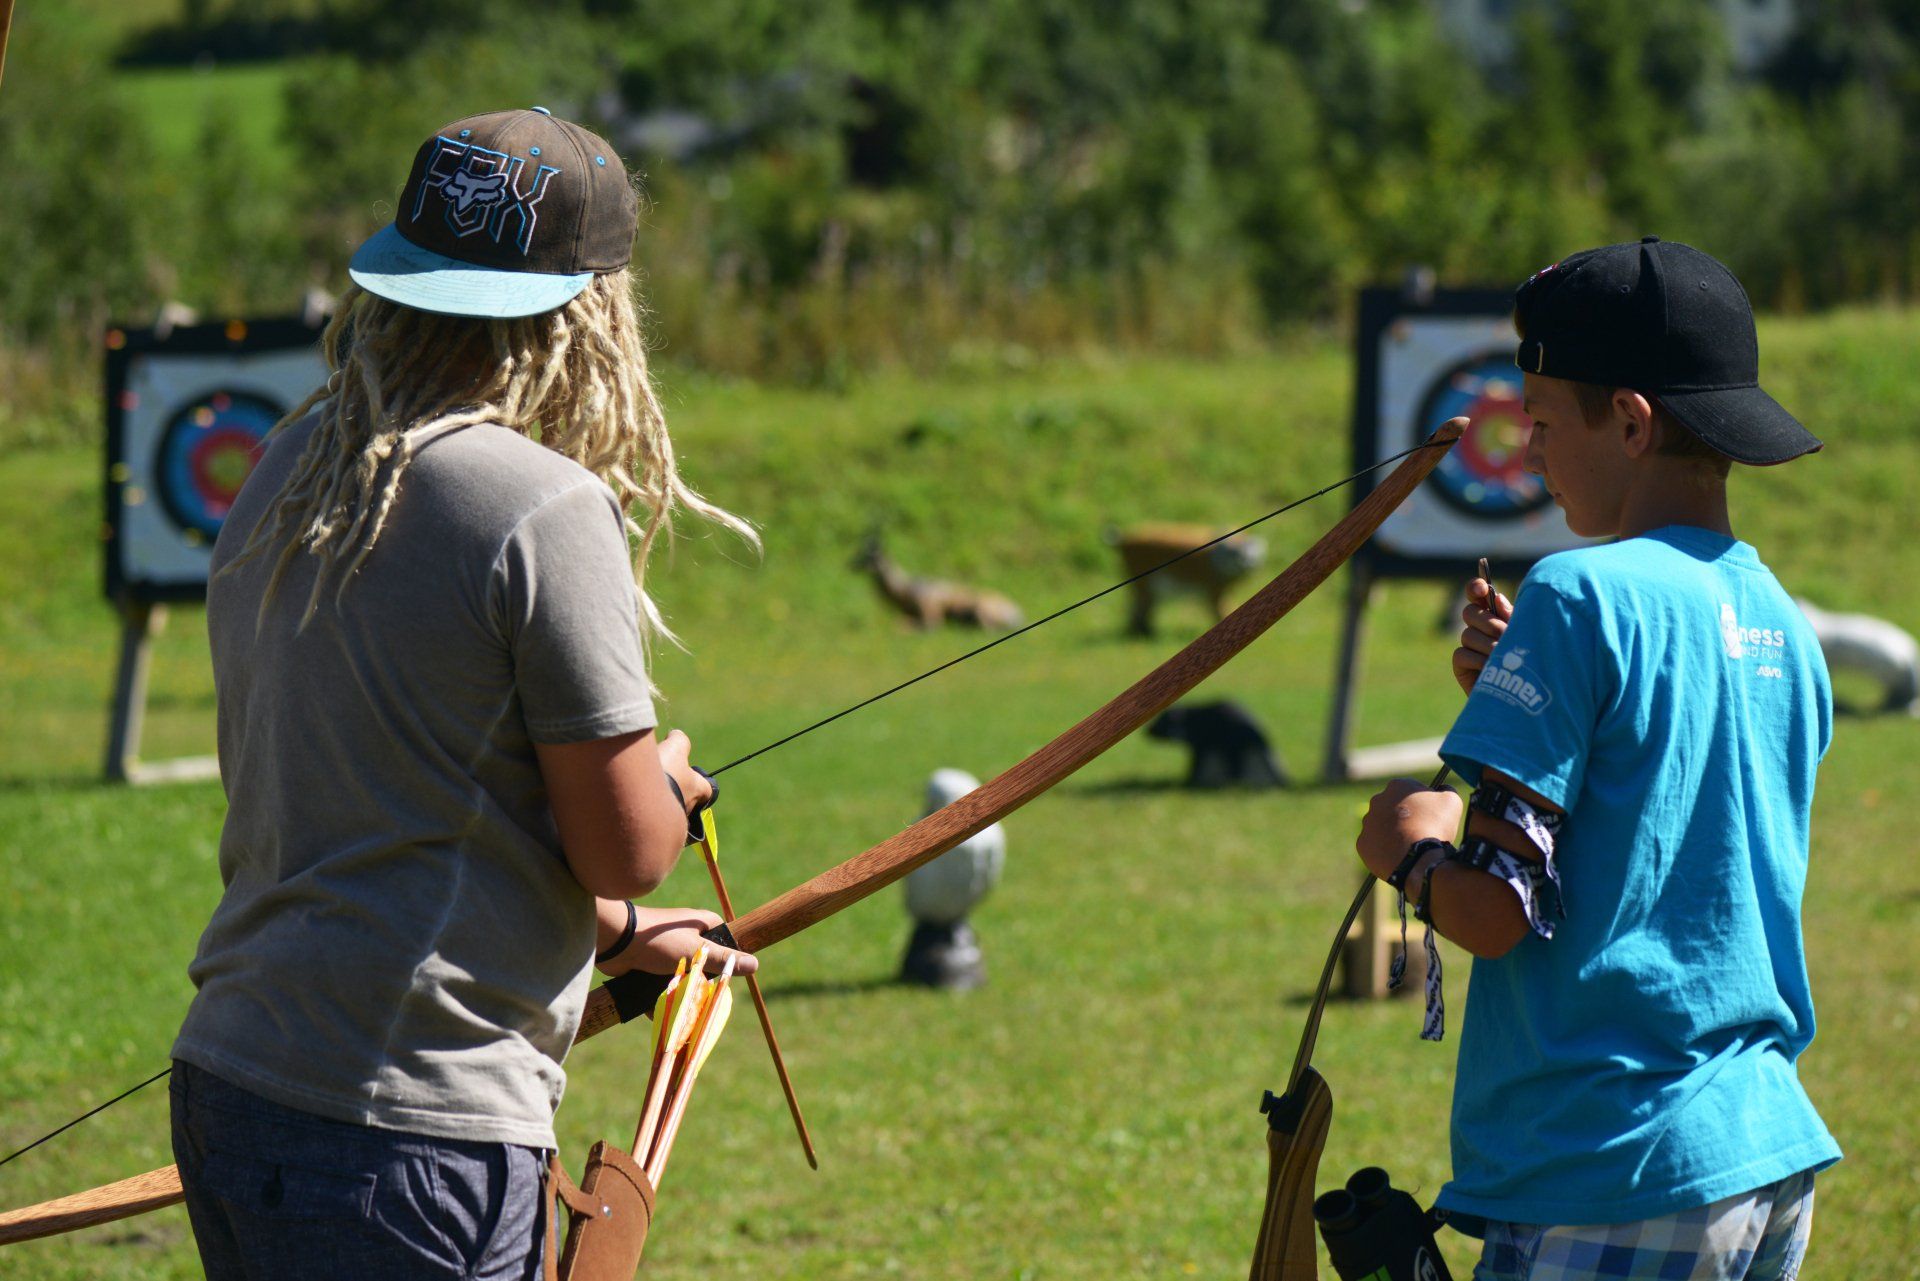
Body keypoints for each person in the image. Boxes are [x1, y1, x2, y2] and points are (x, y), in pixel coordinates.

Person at [168, 107, 758, 1280]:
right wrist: (670, 784)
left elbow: (374, 811)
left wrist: (615, 940)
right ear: (592, 315)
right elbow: (627, 844)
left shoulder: (295, 464)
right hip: (409, 1133)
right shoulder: (540, 505)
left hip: (234, 1085)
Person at [1354, 238, 1839, 1280]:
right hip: (1764, 1158)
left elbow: (1491, 910)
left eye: (1539, 422)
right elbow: (1652, 795)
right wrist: (1518, 692)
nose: (1527, 453)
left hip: (1614, 1164)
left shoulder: (1578, 596)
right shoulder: (1781, 622)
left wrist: (1407, 849)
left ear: (1629, 420)